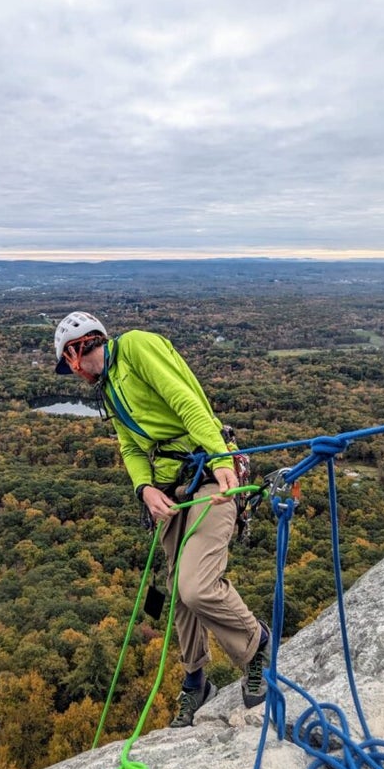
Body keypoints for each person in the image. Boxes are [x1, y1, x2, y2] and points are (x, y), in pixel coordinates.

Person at [54, 310, 270, 728]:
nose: (72, 372)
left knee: (196, 586)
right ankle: (196, 680)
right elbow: (131, 448)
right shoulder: (108, 391)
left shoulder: (135, 347)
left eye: (69, 362)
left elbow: (185, 401)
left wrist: (221, 456)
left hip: (207, 473)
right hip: (171, 490)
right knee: (175, 589)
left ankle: (255, 643)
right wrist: (144, 489)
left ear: (78, 349)